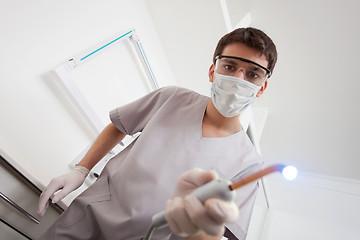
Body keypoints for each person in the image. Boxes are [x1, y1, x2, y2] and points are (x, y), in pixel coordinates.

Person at [37, 27, 278, 240]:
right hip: (89, 217)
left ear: (262, 87)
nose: (238, 79)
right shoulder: (172, 98)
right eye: (229, 66)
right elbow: (119, 126)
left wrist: (199, 229)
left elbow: (220, 232)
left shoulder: (249, 165)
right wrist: (81, 169)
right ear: (212, 71)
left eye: (252, 74)